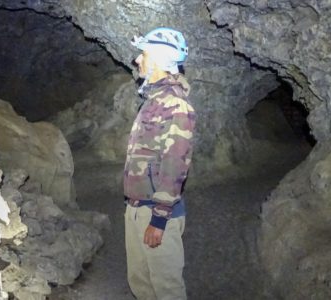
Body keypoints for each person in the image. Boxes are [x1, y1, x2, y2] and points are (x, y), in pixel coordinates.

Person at [123, 27, 195, 300]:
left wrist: (159, 218)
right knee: (141, 284)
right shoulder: (154, 101)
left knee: (166, 290)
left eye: (143, 54)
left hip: (156, 212)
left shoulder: (175, 105)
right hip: (137, 208)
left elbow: (176, 164)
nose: (137, 60)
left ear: (159, 59)